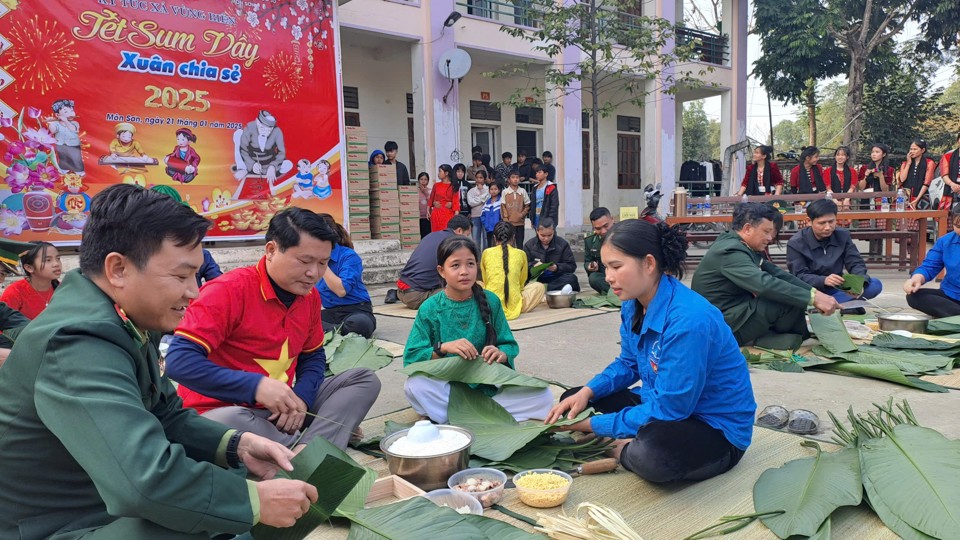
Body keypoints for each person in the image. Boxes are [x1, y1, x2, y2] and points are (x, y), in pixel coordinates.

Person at [0, 184, 317, 539]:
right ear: (118, 268)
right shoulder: (77, 341)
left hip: (100, 503)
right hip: (59, 526)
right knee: (205, 519)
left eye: (195, 275)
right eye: (181, 276)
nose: (194, 291)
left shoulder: (124, 319)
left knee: (222, 488)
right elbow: (142, 482)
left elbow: (164, 413)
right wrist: (255, 503)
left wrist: (237, 444)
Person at [546, 219, 755, 484]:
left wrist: (592, 426)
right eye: (605, 267)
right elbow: (628, 363)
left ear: (648, 263)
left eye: (616, 266)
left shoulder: (689, 320)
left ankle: (623, 449)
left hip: (712, 425)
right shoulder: (632, 303)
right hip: (660, 403)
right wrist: (588, 391)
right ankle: (624, 438)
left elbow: (672, 408)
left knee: (651, 455)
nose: (608, 277)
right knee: (575, 399)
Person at [165, 208, 381, 452]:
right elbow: (178, 361)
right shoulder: (227, 291)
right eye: (305, 261)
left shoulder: (309, 298)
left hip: (282, 409)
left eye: (323, 263)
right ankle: (317, 446)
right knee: (229, 423)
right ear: (271, 250)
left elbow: (313, 356)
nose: (314, 273)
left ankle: (304, 449)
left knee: (363, 380)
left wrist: (301, 399)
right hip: (226, 411)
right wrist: (256, 387)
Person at [404, 236, 553, 423]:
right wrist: (443, 348)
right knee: (414, 385)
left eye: (470, 264)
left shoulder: (491, 301)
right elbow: (412, 357)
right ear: (441, 271)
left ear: (478, 266)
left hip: (488, 385)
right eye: (455, 265)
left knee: (543, 395)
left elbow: (509, 344)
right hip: (450, 386)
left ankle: (455, 417)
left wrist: (500, 354)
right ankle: (478, 415)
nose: (464, 272)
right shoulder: (430, 308)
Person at [691, 203, 840, 347]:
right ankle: (778, 338)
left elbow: (778, 273)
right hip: (723, 323)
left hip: (736, 312)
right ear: (748, 228)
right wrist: (812, 299)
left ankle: (783, 336)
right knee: (785, 299)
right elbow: (763, 283)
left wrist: (815, 294)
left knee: (792, 294)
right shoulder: (729, 251)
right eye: (766, 232)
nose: (770, 238)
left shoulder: (740, 244)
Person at [786, 199, 882, 311]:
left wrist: (859, 283)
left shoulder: (842, 235)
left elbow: (856, 263)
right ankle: (839, 304)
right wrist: (824, 280)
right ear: (809, 221)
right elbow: (798, 275)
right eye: (822, 223)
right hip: (811, 290)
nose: (827, 227)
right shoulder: (796, 242)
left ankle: (828, 305)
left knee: (875, 284)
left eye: (831, 222)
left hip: (837, 287)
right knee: (795, 295)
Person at [315, 214, 377, 338]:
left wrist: (322, 263)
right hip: (331, 312)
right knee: (301, 321)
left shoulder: (348, 256)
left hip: (357, 310)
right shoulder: (309, 259)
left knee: (360, 325)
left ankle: (324, 331)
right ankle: (332, 331)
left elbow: (341, 290)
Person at [396, 215, 472, 309]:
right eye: (467, 235)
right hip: (416, 296)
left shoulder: (432, 235)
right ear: (459, 231)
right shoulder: (453, 244)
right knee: (462, 291)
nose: (467, 239)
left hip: (401, 290)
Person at [903, 205, 960, 317]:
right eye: (957, 225)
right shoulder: (945, 241)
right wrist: (916, 279)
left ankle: (954, 316)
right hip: (951, 295)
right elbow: (929, 266)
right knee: (913, 296)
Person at [481, 222, 546, 320]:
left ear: (494, 238)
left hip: (491, 306)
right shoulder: (521, 254)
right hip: (515, 306)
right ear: (514, 237)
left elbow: (486, 281)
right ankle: (517, 306)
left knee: (478, 284)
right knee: (539, 287)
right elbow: (521, 283)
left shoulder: (486, 253)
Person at [1, 241, 61, 320]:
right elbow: (4, 326)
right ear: (29, 268)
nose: (56, 264)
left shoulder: (63, 290)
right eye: (48, 260)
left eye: (58, 258)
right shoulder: (15, 292)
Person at [524, 218, 580, 292]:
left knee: (572, 279)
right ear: (537, 231)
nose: (546, 239)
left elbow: (572, 266)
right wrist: (534, 265)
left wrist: (557, 267)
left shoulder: (562, 244)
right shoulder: (529, 245)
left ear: (553, 231)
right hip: (537, 277)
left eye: (549, 235)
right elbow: (523, 266)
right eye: (543, 235)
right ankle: (543, 288)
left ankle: (544, 288)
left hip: (556, 277)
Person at [235, 110, 290, 185]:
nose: (265, 132)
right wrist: (252, 164)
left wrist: (273, 166)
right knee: (238, 134)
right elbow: (243, 150)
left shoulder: (277, 131)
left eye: (268, 130)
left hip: (269, 164)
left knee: (288, 164)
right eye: (262, 128)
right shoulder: (249, 128)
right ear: (257, 122)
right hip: (252, 162)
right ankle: (243, 169)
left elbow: (281, 153)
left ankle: (274, 176)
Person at [899, 139, 937, 207]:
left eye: (915, 149)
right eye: (911, 149)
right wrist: (908, 163)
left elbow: (927, 183)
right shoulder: (905, 163)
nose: (912, 151)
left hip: (922, 196)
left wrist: (917, 199)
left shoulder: (929, 163)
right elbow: (902, 179)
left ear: (922, 150)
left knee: (921, 216)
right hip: (906, 196)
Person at [584, 207, 614, 294]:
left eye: (606, 226)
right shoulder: (590, 240)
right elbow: (587, 261)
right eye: (598, 228)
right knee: (593, 278)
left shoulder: (624, 234)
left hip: (623, 275)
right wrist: (590, 266)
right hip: (605, 276)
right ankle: (613, 293)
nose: (603, 231)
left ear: (612, 219)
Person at [822, 146, 859, 210]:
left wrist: (846, 200)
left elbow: (852, 187)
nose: (840, 157)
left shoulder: (852, 171)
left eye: (843, 155)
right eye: (838, 155)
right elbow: (828, 188)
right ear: (835, 156)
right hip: (832, 200)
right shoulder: (827, 171)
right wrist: (836, 201)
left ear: (847, 157)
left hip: (847, 201)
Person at [501, 170, 531, 247]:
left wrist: (522, 215)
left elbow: (527, 205)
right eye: (513, 177)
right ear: (508, 179)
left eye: (517, 177)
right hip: (509, 223)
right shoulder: (505, 192)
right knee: (510, 243)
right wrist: (506, 219)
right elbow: (503, 206)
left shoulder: (522, 191)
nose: (515, 179)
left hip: (520, 223)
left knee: (520, 243)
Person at [429, 164, 460, 232]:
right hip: (436, 213)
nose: (438, 174)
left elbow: (456, 202)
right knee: (436, 234)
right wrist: (429, 208)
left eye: (440, 171)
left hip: (448, 214)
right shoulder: (436, 185)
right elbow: (431, 198)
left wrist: (456, 216)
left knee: (447, 233)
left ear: (446, 173)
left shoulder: (453, 186)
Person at [529, 164, 559, 229]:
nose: (537, 174)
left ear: (546, 174)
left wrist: (551, 219)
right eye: (536, 173)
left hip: (547, 217)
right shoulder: (535, 188)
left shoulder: (551, 187)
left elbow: (554, 205)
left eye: (539, 172)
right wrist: (532, 219)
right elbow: (533, 204)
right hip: (536, 216)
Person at [467, 169, 491, 250]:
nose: (478, 180)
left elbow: (488, 199)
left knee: (486, 239)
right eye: (477, 177)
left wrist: (480, 193)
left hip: (486, 216)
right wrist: (482, 199)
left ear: (484, 179)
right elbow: (471, 203)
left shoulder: (488, 190)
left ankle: (485, 259)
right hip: (475, 216)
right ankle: (477, 259)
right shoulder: (471, 191)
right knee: (475, 239)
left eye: (481, 178)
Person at [937, 132, 960, 211]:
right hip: (952, 188)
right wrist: (953, 184)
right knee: (950, 217)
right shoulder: (948, 156)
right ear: (958, 141)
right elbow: (944, 175)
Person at [481, 180, 504, 247]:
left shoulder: (501, 201)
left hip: (499, 229)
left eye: (495, 189)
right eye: (491, 189)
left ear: (499, 190)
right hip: (489, 229)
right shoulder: (487, 202)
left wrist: (500, 224)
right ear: (489, 190)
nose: (493, 191)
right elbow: (483, 215)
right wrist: (486, 224)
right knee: (490, 245)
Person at [417, 171, 432, 238]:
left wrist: (426, 193)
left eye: (425, 179)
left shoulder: (430, 191)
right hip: (418, 218)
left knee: (427, 236)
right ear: (418, 181)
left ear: (428, 181)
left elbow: (431, 202)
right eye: (421, 179)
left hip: (427, 218)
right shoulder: (415, 191)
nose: (423, 181)